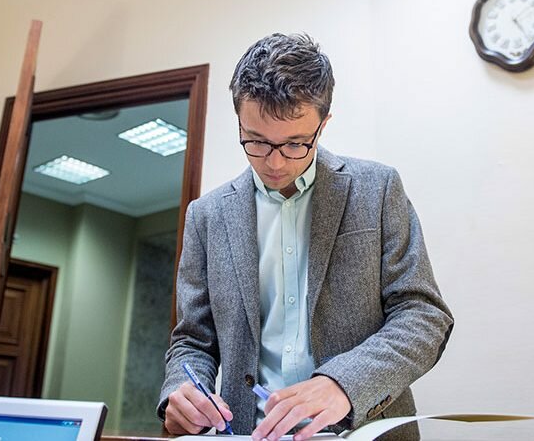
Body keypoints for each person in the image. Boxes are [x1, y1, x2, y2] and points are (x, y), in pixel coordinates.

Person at [157, 33, 453, 441]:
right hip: (248, 433)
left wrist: (343, 383)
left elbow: (423, 315)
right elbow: (193, 340)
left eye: (295, 143)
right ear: (239, 121)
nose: (275, 163)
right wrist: (181, 391)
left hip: (363, 431)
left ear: (323, 125)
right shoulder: (206, 216)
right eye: (256, 141)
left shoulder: (378, 189)